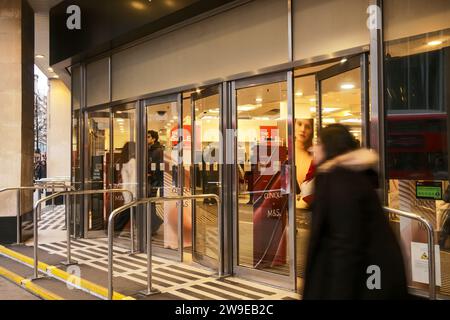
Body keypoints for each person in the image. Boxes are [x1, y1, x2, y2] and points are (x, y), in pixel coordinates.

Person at [303, 124, 408, 300]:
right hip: (370, 277)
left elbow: (345, 247)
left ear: (330, 146)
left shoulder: (341, 181)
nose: (313, 148)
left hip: (365, 282)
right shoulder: (348, 176)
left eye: (318, 143)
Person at [114, 142, 136, 232]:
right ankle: (115, 229)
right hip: (132, 191)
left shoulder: (124, 161)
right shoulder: (132, 162)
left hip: (126, 189)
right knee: (127, 212)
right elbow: (134, 180)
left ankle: (114, 229)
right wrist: (134, 194)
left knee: (130, 211)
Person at [147, 130, 164, 235]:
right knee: (150, 202)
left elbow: (159, 167)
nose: (146, 138)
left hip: (154, 180)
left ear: (154, 139)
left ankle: (154, 225)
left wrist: (152, 175)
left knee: (150, 202)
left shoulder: (157, 151)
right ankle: (154, 224)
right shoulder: (149, 149)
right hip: (149, 180)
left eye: (148, 137)